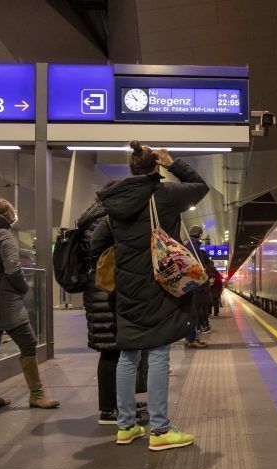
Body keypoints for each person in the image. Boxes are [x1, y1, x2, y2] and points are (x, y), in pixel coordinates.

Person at [92, 141, 208, 450]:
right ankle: (159, 430)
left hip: (127, 288)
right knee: (157, 352)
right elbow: (200, 187)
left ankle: (126, 426)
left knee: (128, 354)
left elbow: (97, 245)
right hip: (159, 284)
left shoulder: (113, 202)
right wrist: (172, 163)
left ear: (131, 168)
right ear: (154, 167)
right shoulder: (163, 196)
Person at [0, 198, 59, 410]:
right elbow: (12, 267)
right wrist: (23, 288)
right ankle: (37, 395)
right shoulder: (4, 235)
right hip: (6, 302)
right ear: (8, 216)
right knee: (28, 343)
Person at [77, 182, 147, 425]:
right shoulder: (104, 220)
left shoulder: (91, 217)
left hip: (99, 289)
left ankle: (120, 402)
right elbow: (105, 255)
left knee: (114, 350)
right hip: (106, 290)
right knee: (111, 351)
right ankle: (109, 409)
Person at [184, 225, 213, 347]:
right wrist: (205, 281)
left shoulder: (186, 245)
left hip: (188, 283)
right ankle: (192, 339)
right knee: (194, 312)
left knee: (191, 312)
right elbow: (197, 266)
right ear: (200, 234)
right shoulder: (194, 246)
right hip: (195, 284)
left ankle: (190, 338)